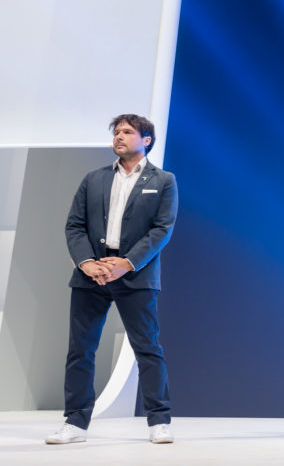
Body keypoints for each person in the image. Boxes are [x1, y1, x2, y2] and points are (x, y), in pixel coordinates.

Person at [46, 114, 178, 445]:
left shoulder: (163, 180)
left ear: (146, 140)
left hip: (136, 274)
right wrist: (87, 263)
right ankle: (75, 423)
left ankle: (159, 421)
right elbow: (74, 225)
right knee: (81, 349)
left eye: (127, 131)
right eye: (116, 132)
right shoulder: (94, 179)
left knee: (147, 348)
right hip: (91, 274)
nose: (118, 136)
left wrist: (127, 263)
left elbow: (161, 229)